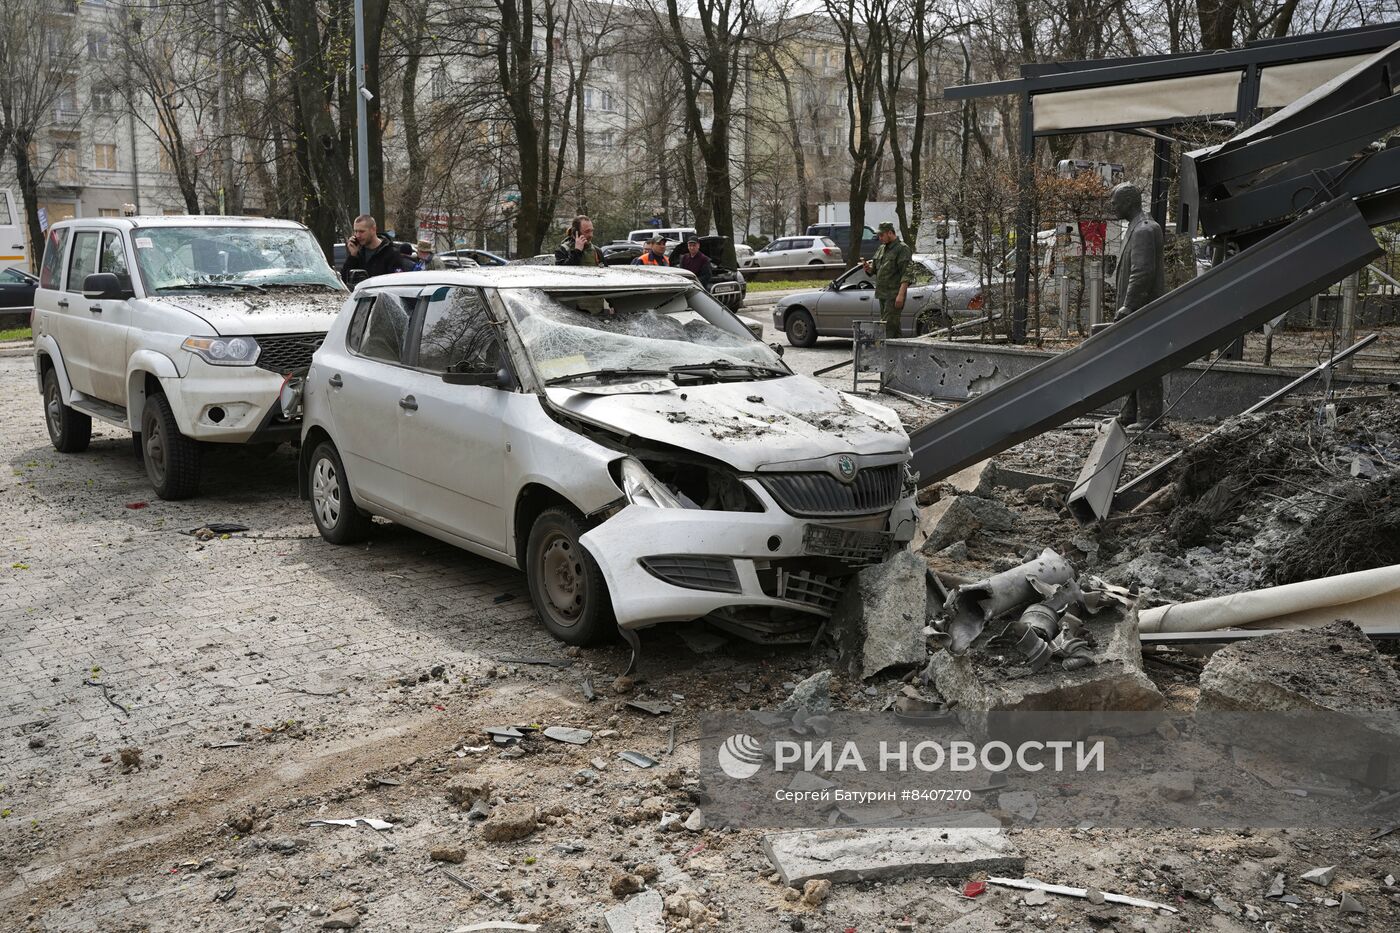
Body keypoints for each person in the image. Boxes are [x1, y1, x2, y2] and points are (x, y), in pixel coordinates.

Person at [1109, 181, 1168, 429]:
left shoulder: (1143, 230)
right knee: (1132, 360)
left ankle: (1149, 417)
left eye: (1115, 202)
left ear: (1129, 203)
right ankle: (1130, 413)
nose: (1112, 206)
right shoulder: (1137, 228)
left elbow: (1142, 272)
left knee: (1145, 361)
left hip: (1143, 311)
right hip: (1139, 310)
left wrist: (1128, 306)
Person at [862, 222, 914, 339]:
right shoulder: (881, 248)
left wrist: (900, 295)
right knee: (893, 327)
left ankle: (885, 354)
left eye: (882, 235)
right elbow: (875, 270)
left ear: (890, 233)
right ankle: (899, 353)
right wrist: (868, 268)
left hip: (894, 295)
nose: (879, 238)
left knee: (886, 327)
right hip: (882, 294)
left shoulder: (902, 249)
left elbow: (907, 274)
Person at [341, 215, 415, 281]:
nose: (357, 235)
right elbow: (344, 280)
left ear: (373, 229)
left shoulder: (391, 253)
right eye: (355, 231)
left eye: (361, 231)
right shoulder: (358, 253)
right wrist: (353, 256)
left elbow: (397, 282)